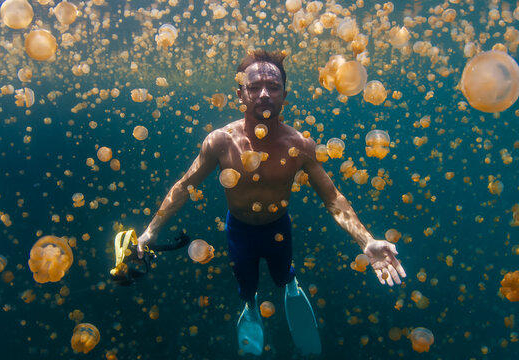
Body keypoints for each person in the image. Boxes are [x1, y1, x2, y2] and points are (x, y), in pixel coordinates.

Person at [137, 49, 406, 356]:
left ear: (285, 94)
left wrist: (366, 240)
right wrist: (150, 232)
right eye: (254, 87)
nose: (264, 94)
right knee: (247, 286)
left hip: (278, 228)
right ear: (240, 93)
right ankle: (250, 307)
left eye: (273, 86)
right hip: (238, 230)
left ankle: (291, 289)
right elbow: (184, 187)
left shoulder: (300, 145)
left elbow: (333, 198)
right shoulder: (220, 141)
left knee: (283, 275)